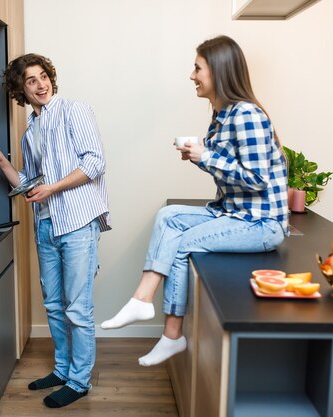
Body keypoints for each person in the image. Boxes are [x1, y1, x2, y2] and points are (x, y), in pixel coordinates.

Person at [101, 35, 288, 366]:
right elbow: (230, 165)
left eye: (197, 67)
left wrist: (206, 156)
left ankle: (172, 335)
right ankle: (142, 299)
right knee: (169, 215)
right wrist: (199, 155)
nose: (192, 75)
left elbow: (257, 179)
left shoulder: (246, 114)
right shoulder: (223, 114)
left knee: (183, 241)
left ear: (218, 71)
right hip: (234, 214)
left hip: (261, 224)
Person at [0, 53, 110, 408]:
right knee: (54, 305)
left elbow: (95, 162)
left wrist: (52, 188)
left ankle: (80, 380)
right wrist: (4, 163)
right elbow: (30, 183)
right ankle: (63, 369)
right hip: (46, 223)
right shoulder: (31, 132)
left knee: (77, 308)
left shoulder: (74, 109)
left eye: (44, 77)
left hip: (78, 222)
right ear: (21, 90)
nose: (41, 84)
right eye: (31, 81)